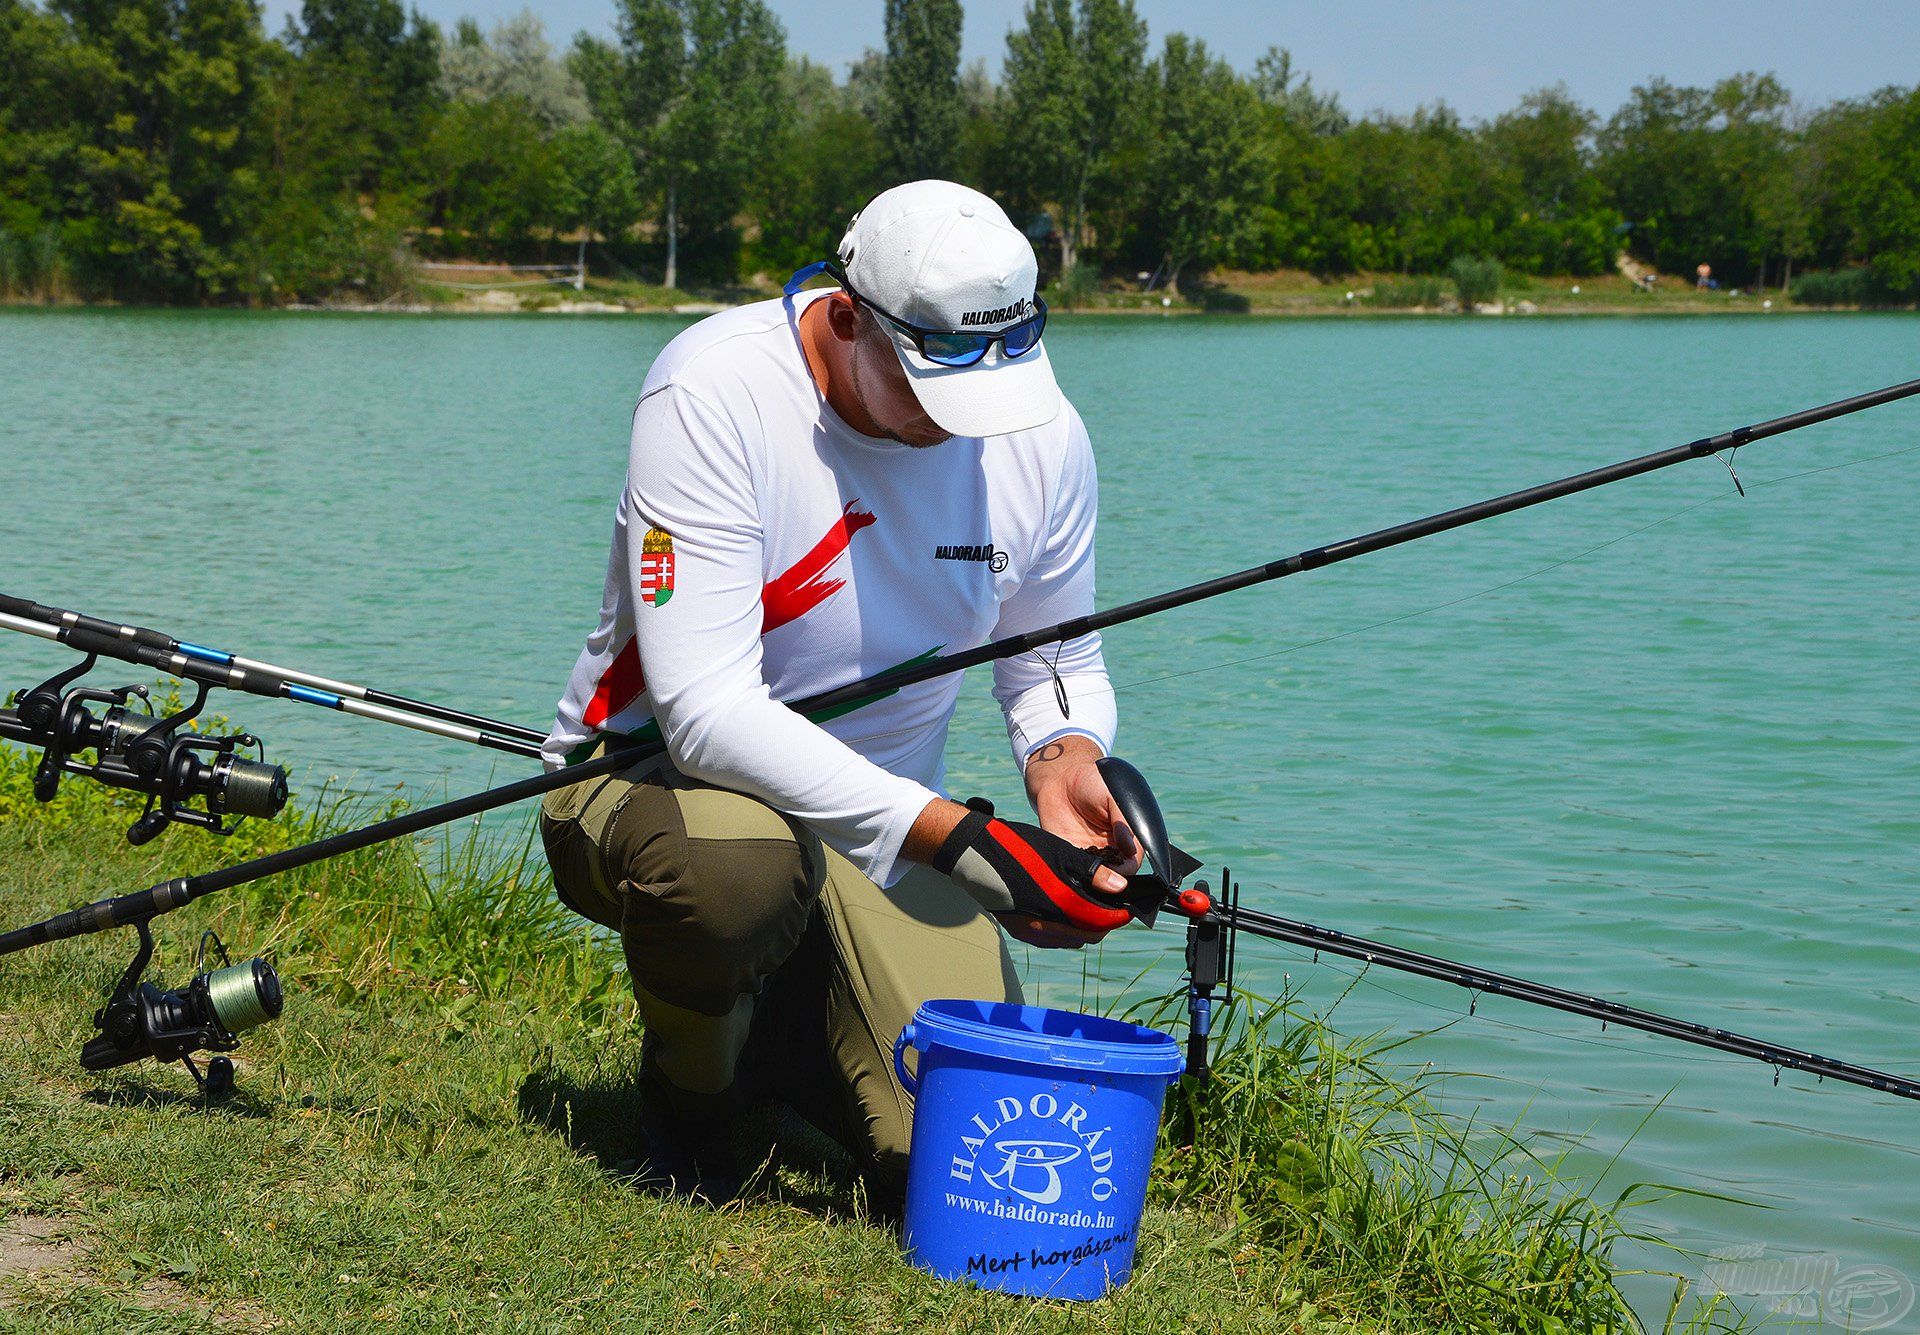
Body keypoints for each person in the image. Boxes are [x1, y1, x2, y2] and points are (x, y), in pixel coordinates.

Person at [538, 180, 1140, 1206]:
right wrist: (958, 837)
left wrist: (1063, 759)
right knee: (733, 877)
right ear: (847, 315)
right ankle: (693, 1105)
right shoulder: (713, 391)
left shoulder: (1041, 432)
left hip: (888, 826)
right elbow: (706, 714)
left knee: (956, 1169)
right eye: (929, 395)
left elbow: (1054, 659)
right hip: (652, 781)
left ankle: (780, 1028)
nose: (960, 430)